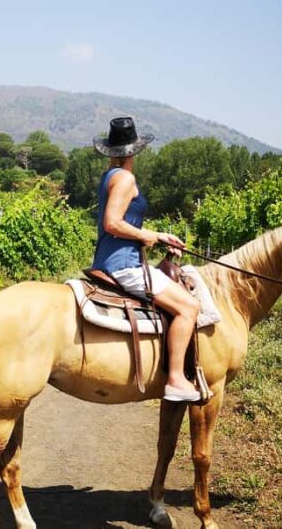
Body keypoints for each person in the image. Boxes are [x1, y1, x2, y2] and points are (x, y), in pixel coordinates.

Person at [91, 117, 203, 402]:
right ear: (133, 151)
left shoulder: (109, 176)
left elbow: (119, 225)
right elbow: (112, 223)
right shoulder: (126, 178)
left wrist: (159, 237)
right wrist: (145, 235)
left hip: (114, 260)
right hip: (123, 266)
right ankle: (176, 379)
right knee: (189, 307)